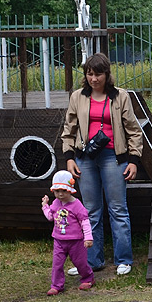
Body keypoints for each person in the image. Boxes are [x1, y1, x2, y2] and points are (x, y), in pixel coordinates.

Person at [61, 52, 143, 275]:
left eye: (98, 74)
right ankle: (92, 261)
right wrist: (69, 158)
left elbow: (134, 131)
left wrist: (133, 160)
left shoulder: (120, 96)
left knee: (118, 208)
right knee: (90, 210)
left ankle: (123, 259)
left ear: (107, 75)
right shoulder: (78, 97)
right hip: (85, 158)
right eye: (89, 74)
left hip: (113, 157)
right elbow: (69, 130)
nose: (94, 79)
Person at [41, 170, 95, 293]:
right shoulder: (55, 203)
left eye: (64, 191)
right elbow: (50, 217)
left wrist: (88, 238)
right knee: (57, 264)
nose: (60, 194)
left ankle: (88, 278)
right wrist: (45, 206)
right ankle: (56, 285)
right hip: (59, 240)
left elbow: (85, 221)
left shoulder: (77, 205)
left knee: (80, 262)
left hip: (76, 241)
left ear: (70, 190)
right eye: (57, 191)